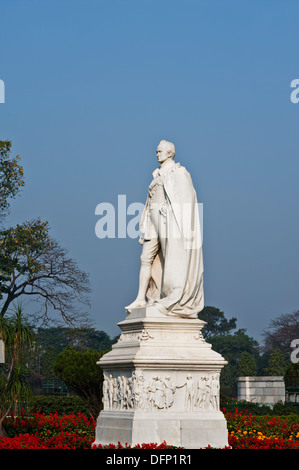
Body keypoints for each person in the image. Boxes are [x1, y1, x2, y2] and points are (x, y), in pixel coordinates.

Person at [125, 140, 204, 318]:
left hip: (168, 220)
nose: (157, 154)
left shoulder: (179, 172)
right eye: (156, 151)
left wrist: (170, 211)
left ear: (169, 153)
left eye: (160, 151)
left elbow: (186, 199)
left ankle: (171, 294)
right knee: (146, 257)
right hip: (153, 220)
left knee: (170, 256)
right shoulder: (157, 174)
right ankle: (140, 298)